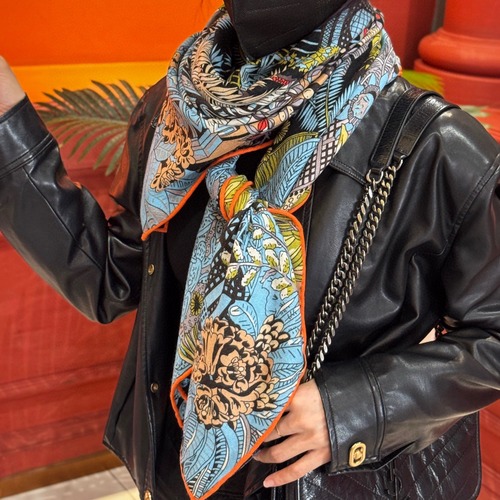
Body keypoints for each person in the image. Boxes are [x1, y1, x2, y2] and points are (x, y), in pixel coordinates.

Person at [0, 0, 499, 498]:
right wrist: (6, 120)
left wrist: (353, 409)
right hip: (178, 475)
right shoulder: (175, 113)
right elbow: (113, 276)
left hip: (336, 484)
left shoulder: (437, 147)